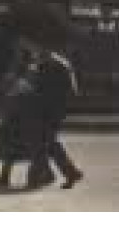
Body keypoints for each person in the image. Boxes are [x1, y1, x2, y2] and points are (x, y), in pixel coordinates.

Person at [27, 34, 84, 190]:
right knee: (47, 142)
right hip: (47, 108)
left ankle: (45, 174)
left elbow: (70, 90)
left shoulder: (56, 65)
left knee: (44, 141)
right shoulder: (46, 63)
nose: (34, 51)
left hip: (51, 109)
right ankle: (63, 173)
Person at [0, 43, 41, 188]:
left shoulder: (30, 71)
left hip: (21, 114)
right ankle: (5, 176)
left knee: (25, 147)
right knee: (11, 147)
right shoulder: (20, 71)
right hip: (15, 113)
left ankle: (33, 176)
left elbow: (20, 91)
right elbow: (7, 90)